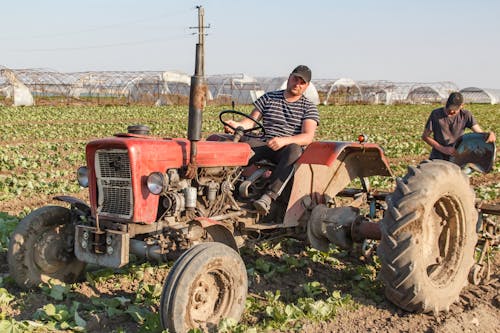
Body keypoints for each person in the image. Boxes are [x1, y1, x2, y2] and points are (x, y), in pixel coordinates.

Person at [224, 65, 319, 215]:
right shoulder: (269, 98)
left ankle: (268, 197)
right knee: (234, 145)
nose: (297, 84)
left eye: (302, 82)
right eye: (295, 79)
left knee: (295, 149)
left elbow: (307, 136)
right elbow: (250, 122)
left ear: (306, 86)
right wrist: (237, 125)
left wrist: (284, 141)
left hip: (286, 149)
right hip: (264, 142)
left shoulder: (308, 107)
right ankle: (225, 185)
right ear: (289, 77)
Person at [422, 92, 496, 160]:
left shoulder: (466, 115)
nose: (451, 111)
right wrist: (443, 149)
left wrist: (489, 134)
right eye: (449, 108)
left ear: (462, 106)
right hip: (438, 156)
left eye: (455, 109)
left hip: (457, 156)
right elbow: (425, 136)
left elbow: (480, 133)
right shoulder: (436, 114)